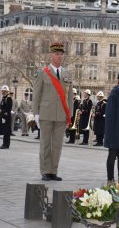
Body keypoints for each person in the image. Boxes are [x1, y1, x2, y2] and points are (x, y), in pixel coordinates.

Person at [33, 42, 73, 181]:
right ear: (51, 55)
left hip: (61, 114)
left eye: (61, 54)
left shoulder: (67, 73)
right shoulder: (42, 73)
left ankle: (53, 171)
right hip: (46, 114)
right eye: (57, 54)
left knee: (57, 145)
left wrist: (70, 115)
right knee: (45, 144)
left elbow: (70, 96)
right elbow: (36, 94)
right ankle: (45, 171)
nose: (60, 56)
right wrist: (36, 114)